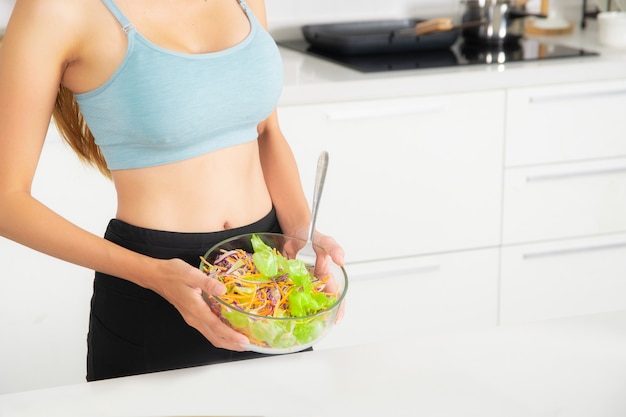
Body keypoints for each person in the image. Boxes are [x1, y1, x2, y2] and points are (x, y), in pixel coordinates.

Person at [0, 0, 344, 381]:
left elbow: (266, 132)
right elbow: (5, 199)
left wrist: (298, 230)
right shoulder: (54, 10)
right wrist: (153, 275)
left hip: (267, 280)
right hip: (156, 282)